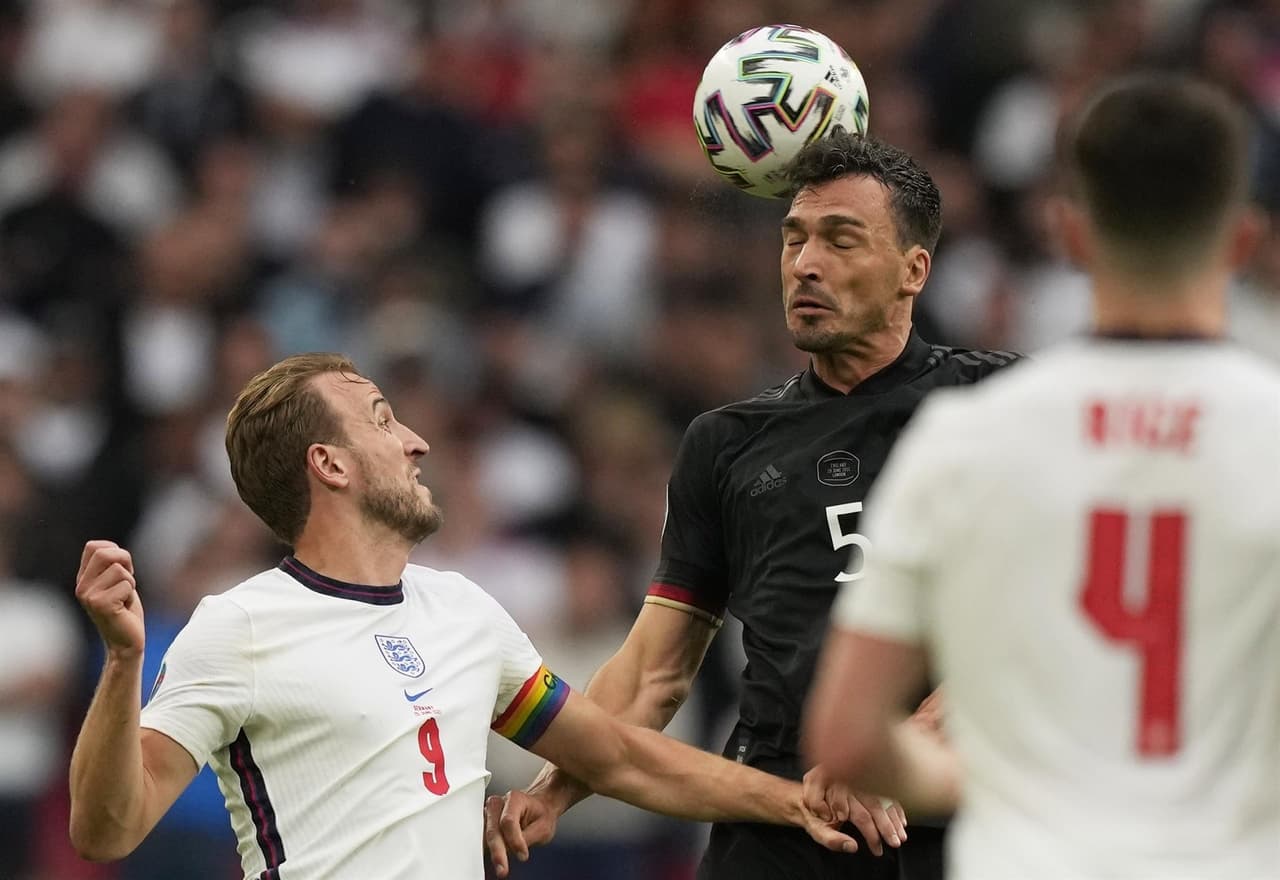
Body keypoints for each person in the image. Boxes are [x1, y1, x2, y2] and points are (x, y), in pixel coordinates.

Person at [67, 352, 857, 880]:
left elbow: (619, 756)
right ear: (329, 464)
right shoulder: (239, 625)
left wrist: (796, 801)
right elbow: (108, 829)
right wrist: (122, 664)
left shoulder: (463, 610)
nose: (414, 441)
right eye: (381, 418)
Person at [486, 132, 1020, 880]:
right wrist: (554, 791)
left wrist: (896, 746)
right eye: (794, 238)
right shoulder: (725, 444)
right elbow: (652, 674)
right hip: (782, 824)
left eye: (841, 240)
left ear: (913, 271)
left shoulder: (1003, 405)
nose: (805, 263)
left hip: (970, 822)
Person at [803, 73, 1280, 880]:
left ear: (1069, 233)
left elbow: (847, 737)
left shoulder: (966, 440)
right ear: (1241, 239)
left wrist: (970, 776)